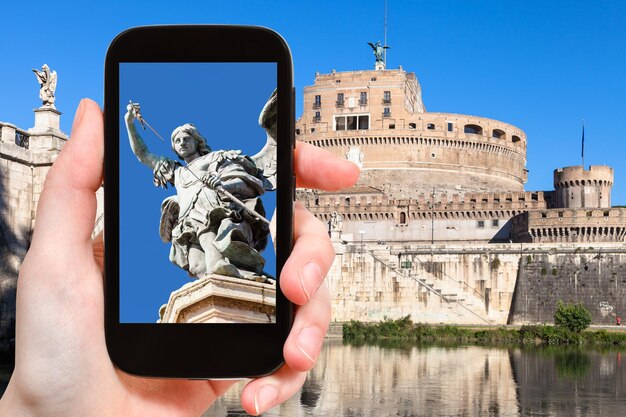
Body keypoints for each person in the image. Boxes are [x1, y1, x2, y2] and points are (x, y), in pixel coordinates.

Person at [0, 99, 359, 416]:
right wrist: (128, 122)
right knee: (208, 265)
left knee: (218, 251)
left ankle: (237, 260)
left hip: (222, 215)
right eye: (174, 141)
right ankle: (235, 267)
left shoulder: (219, 159)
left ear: (197, 139)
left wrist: (227, 184)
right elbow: (143, 155)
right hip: (191, 226)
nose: (179, 143)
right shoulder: (175, 172)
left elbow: (251, 176)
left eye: (184, 138)